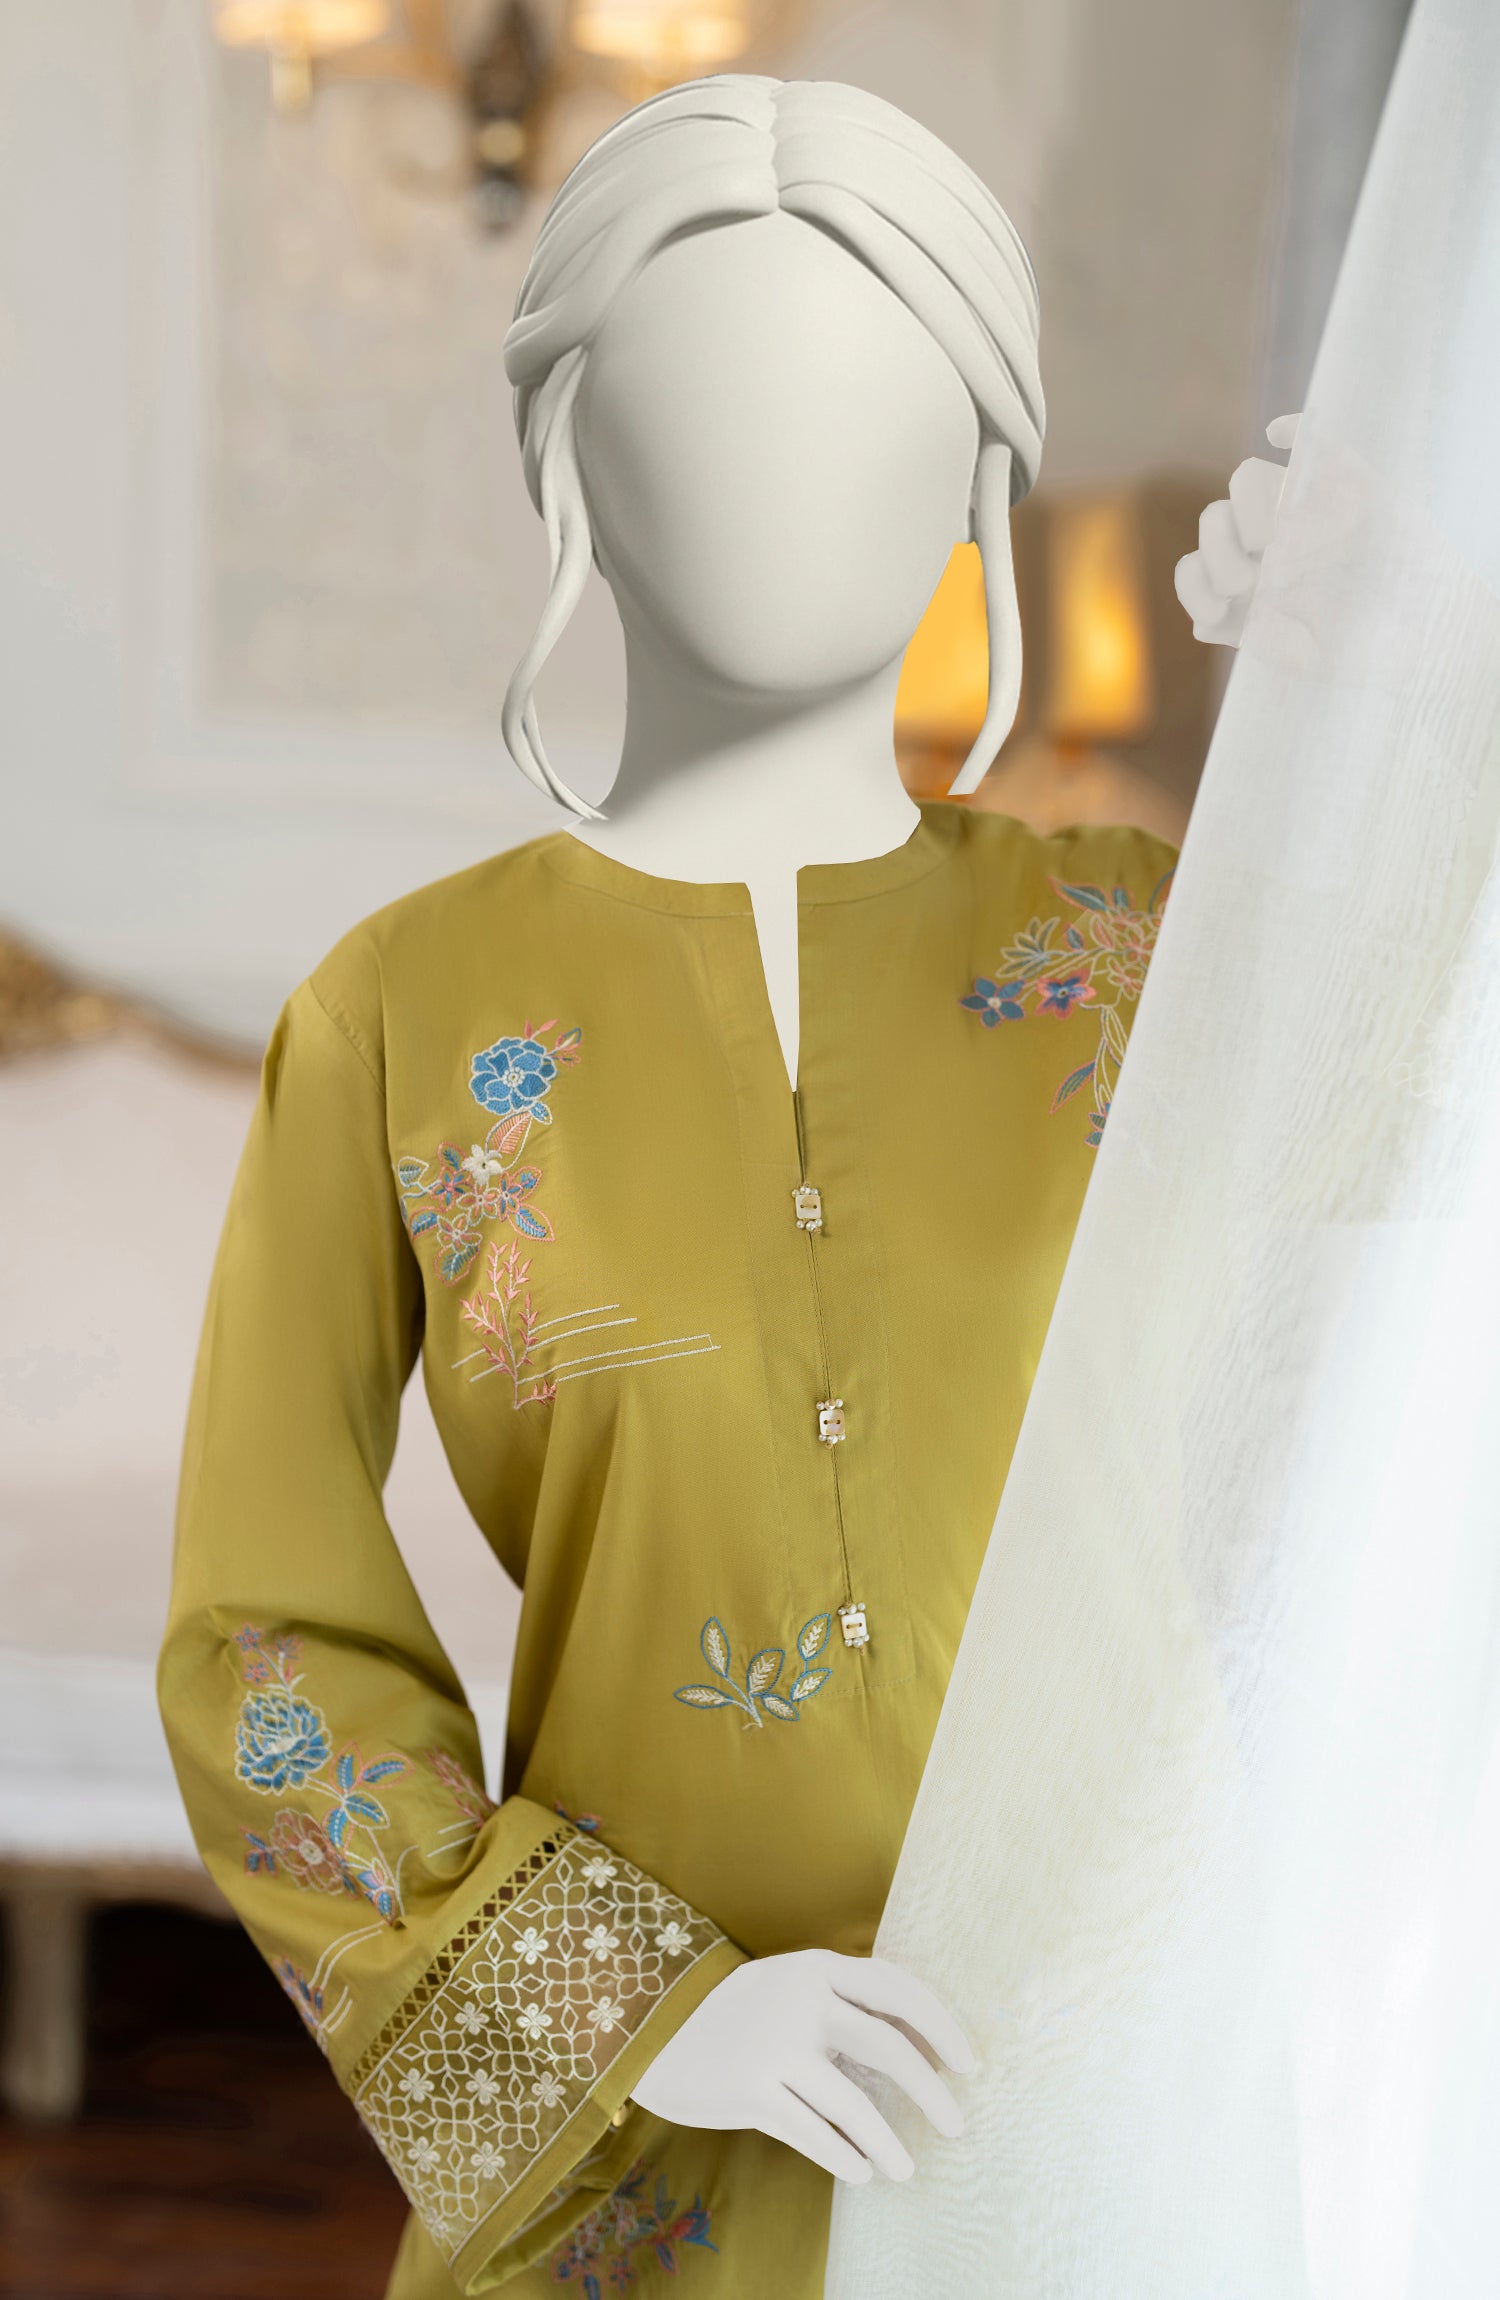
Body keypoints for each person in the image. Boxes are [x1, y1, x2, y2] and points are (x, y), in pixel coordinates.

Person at [158, 75, 1206, 2300]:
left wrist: (1416, 679)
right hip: (637, 2173)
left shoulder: (1164, 950)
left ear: (983, 475)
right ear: (566, 458)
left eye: (867, 409)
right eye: (707, 403)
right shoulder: (405, 1011)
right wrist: (644, 2010)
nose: (787, 476)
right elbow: (262, 1640)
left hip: (1098, 2118)